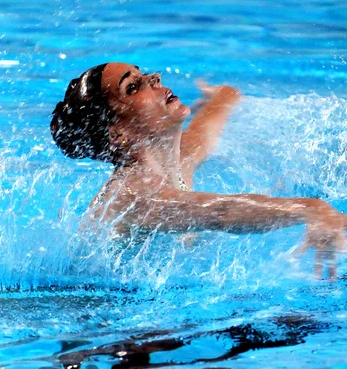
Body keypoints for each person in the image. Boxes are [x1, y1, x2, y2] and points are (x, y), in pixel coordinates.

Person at [51, 62, 347, 280]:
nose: (154, 78)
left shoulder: (179, 160)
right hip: (108, 323)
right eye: (133, 86)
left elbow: (206, 125)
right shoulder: (134, 194)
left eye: (144, 74)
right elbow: (221, 212)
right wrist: (312, 209)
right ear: (118, 133)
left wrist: (223, 95)